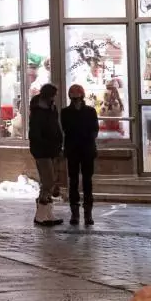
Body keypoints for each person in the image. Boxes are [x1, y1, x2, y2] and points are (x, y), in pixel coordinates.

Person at [61, 83, 99, 225]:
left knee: (87, 181)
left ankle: (88, 213)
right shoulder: (65, 112)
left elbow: (95, 129)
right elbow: (64, 129)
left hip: (87, 149)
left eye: (78, 98)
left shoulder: (90, 111)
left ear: (82, 97)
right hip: (73, 150)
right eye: (74, 99)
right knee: (73, 182)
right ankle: (75, 213)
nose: (76, 101)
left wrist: (86, 138)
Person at [27, 82, 63, 226]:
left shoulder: (51, 109)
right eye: (53, 95)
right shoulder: (38, 112)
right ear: (49, 95)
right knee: (48, 181)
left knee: (50, 181)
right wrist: (47, 144)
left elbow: (55, 127)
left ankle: (47, 213)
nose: (55, 98)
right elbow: (36, 133)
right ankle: (41, 214)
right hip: (42, 151)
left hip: (52, 149)